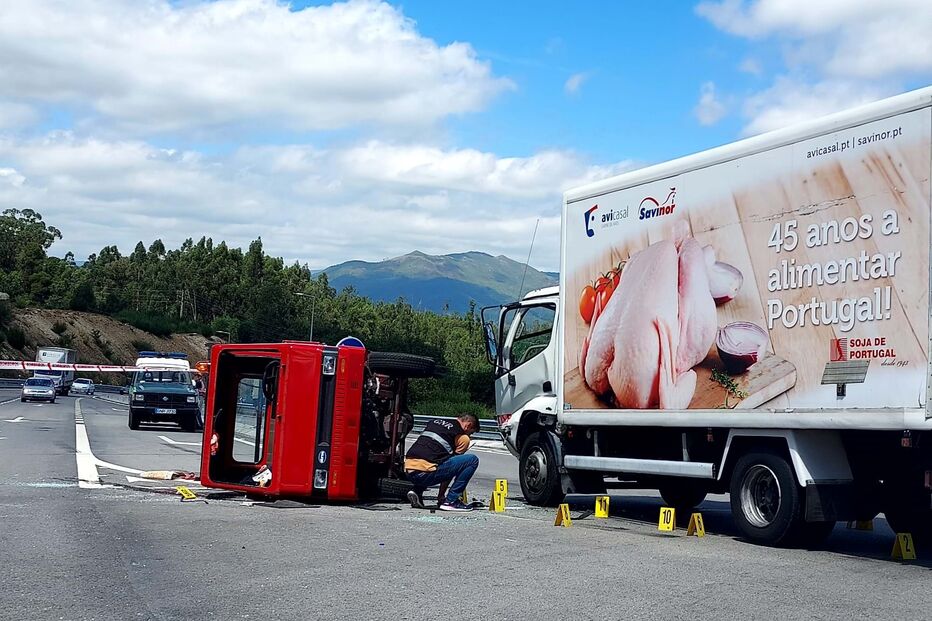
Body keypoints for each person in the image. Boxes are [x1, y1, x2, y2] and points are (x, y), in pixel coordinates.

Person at [404, 413, 480, 512]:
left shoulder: (435, 423)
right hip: (426, 474)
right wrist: (441, 496)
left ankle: (417, 491)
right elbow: (451, 468)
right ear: (468, 425)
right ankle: (451, 501)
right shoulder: (463, 438)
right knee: (472, 460)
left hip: (409, 471)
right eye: (471, 433)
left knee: (432, 459)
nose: (469, 436)